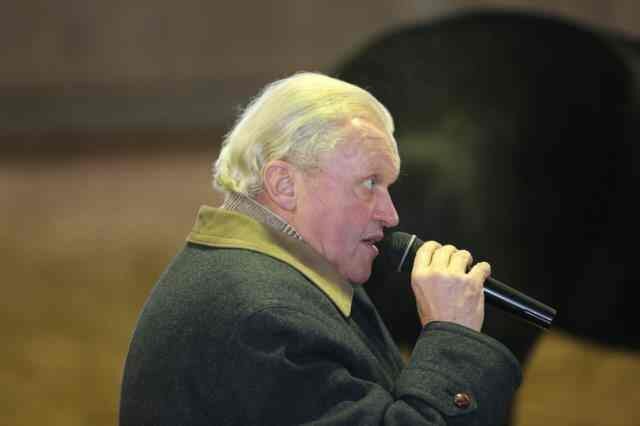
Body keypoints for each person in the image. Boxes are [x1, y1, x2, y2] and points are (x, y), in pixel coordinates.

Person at [119, 72, 521, 425]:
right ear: (284, 185)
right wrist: (451, 339)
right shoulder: (265, 321)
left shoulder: (270, 280)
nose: (391, 214)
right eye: (369, 183)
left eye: (387, 187)